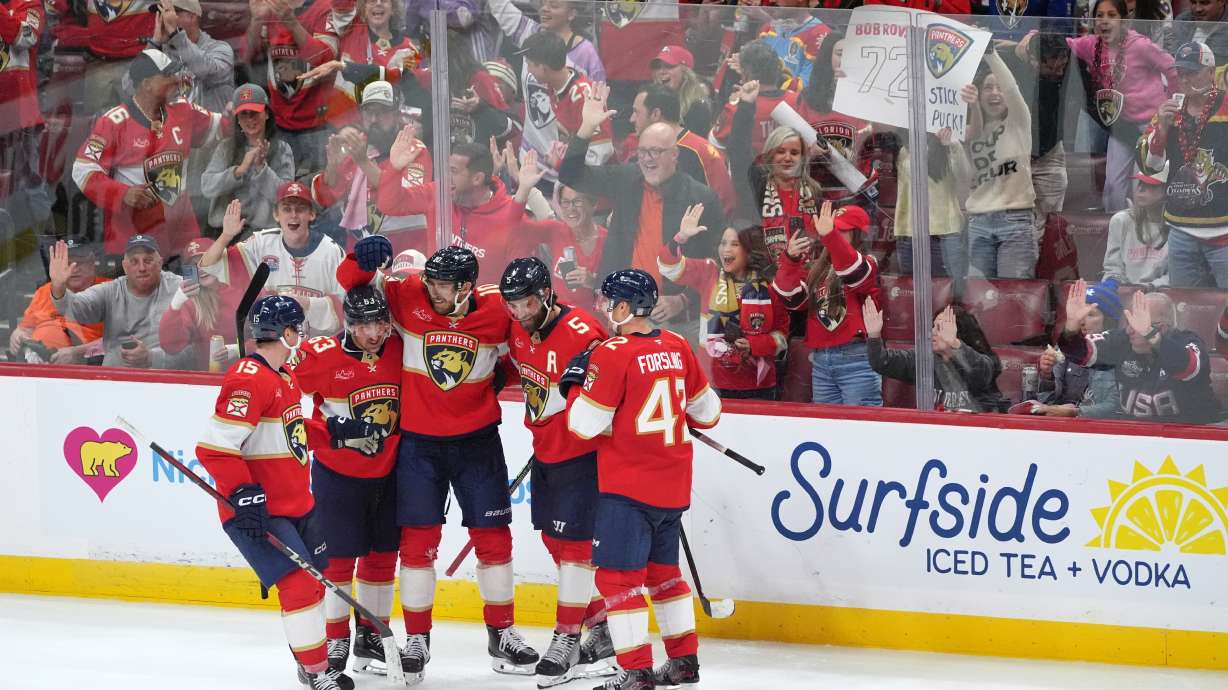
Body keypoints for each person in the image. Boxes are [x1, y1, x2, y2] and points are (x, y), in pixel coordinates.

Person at [337, 240, 540, 684]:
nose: (432, 291)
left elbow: (531, 344)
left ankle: (502, 633)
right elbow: (350, 283)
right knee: (417, 543)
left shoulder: (497, 310)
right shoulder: (407, 292)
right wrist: (359, 258)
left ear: (466, 287)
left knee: (493, 538)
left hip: (477, 443)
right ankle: (417, 640)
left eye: (443, 286)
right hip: (419, 445)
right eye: (430, 281)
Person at [566, 268, 722, 690]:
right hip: (672, 486)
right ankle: (683, 662)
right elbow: (708, 413)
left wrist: (576, 386)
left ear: (624, 306)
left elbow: (583, 425)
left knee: (618, 579)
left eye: (608, 300)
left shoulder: (611, 353)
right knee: (664, 574)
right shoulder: (677, 344)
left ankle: (635, 672)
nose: (603, 307)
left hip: (628, 489)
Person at [193, 295, 351, 690]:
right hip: (260, 511)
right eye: (298, 329)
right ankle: (317, 673)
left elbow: (290, 432)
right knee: (299, 583)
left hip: (297, 503)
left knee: (315, 581)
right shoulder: (249, 380)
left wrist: (335, 433)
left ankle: (310, 663)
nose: (302, 336)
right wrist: (243, 492)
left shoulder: (283, 375)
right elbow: (214, 449)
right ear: (287, 333)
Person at [499, 258, 617, 687]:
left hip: (583, 456)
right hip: (546, 452)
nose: (519, 313)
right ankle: (601, 627)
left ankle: (566, 638)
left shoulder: (583, 333)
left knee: (577, 549)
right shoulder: (517, 329)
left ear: (547, 295)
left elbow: (611, 388)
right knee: (554, 541)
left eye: (526, 303)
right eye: (513, 305)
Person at [292, 286, 403, 676]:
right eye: (363, 326)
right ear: (348, 324)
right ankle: (335, 637)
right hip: (337, 476)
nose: (373, 334)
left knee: (382, 558)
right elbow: (279, 389)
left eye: (380, 324)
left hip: (389, 474)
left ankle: (371, 636)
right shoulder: (321, 354)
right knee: (338, 559)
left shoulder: (399, 347)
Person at [559, 90, 727, 343]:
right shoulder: (626, 178)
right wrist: (586, 128)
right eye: (643, 151)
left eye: (656, 152)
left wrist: (683, 300)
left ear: (674, 155)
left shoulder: (701, 198)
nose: (648, 159)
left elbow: (718, 261)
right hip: (625, 312)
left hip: (676, 320)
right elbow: (571, 175)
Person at [71, 48, 225, 259]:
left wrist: (239, 113)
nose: (176, 80)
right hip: (133, 238)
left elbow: (223, 128)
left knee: (194, 279)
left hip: (181, 234)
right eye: (167, 75)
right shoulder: (113, 122)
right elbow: (82, 170)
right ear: (147, 84)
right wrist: (123, 193)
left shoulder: (183, 109)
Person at [1039, 0, 1177, 212]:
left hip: (1151, 125)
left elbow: (1171, 67)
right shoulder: (1090, 45)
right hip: (1121, 125)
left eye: (1111, 15)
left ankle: (1142, 231)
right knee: (1113, 186)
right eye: (1099, 15)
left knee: (1141, 185)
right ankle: (1116, 228)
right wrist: (1031, 38)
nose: (1104, 21)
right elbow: (1064, 43)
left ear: (1123, 21)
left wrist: (1172, 101)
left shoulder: (1140, 45)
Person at [374, 127, 548, 281]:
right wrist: (395, 169)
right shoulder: (438, 194)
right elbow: (389, 205)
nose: (446, 177)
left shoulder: (510, 217)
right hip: (436, 300)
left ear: (477, 178)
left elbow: (520, 279)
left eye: (454, 171)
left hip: (481, 306)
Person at [659, 218, 789, 400]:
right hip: (711, 382)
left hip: (757, 385)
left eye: (734, 244)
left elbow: (782, 335)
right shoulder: (709, 272)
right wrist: (680, 237)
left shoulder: (769, 284)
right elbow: (669, 267)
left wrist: (755, 345)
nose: (726, 249)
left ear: (749, 250)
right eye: (723, 243)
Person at [1059, 280, 1221, 423]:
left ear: (1161, 329)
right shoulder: (1123, 339)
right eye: (1129, 322)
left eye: (1137, 325)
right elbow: (1079, 353)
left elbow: (1188, 367)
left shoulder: (1188, 341)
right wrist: (1071, 328)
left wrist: (1151, 335)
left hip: (1194, 434)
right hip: (1137, 435)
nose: (1129, 330)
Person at [198, 184, 346, 337]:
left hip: (317, 343)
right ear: (276, 215)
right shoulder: (261, 244)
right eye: (287, 209)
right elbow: (209, 265)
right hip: (273, 342)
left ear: (312, 214)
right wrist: (226, 235)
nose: (293, 215)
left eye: (300, 209)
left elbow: (346, 307)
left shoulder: (331, 252)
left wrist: (308, 304)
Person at [1136, 41, 1228, 288]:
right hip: (1181, 229)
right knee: (1182, 304)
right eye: (1181, 73)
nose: (1185, 80)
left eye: (1193, 72)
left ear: (1211, 72)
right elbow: (1148, 166)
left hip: (1225, 232)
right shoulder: (1169, 111)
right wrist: (1162, 129)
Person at [773, 201, 883, 407]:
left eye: (841, 230)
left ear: (858, 235)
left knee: (860, 425)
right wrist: (790, 260)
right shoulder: (818, 269)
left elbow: (852, 271)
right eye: (832, 229)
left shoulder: (869, 263)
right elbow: (791, 299)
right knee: (826, 426)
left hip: (857, 360)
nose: (832, 234)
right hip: (821, 362)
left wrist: (831, 236)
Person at [487, 0, 605, 182]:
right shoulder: (531, 34)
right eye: (543, 3)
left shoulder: (586, 54)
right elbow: (499, 6)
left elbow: (599, 113)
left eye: (554, 6)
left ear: (572, 14)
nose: (545, 9)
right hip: (531, 161)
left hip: (567, 168)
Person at [312, 81, 431, 249]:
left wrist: (363, 162)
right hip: (359, 253)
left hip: (404, 251)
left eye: (382, 112)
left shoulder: (414, 149)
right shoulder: (355, 146)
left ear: (397, 114)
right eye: (369, 112)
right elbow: (325, 199)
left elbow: (405, 198)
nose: (374, 119)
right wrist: (332, 167)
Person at [49, 235, 194, 369]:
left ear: (160, 263)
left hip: (166, 381)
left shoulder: (180, 287)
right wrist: (58, 286)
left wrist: (151, 358)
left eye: (148, 261)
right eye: (134, 261)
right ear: (124, 266)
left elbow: (197, 347)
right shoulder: (111, 291)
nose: (142, 268)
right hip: (114, 379)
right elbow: (76, 310)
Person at [728, 79, 821, 262]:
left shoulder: (813, 189)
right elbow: (738, 151)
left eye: (794, 152)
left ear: (802, 157)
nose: (787, 157)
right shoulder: (756, 182)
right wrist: (746, 106)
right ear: (770, 154)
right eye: (781, 151)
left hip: (804, 269)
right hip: (764, 268)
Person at [964, 50, 1037, 280]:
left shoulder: (1019, 121)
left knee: (1013, 295)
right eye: (988, 87)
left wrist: (990, 54)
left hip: (1016, 221)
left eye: (999, 88)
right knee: (980, 297)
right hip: (978, 222)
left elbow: (1012, 89)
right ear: (978, 93)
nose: (995, 93)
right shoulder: (969, 131)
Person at [863, 303, 1010, 413]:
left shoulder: (977, 360)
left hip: (978, 431)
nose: (932, 332)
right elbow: (881, 362)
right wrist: (874, 335)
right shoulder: (923, 360)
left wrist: (955, 344)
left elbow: (982, 373)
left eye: (939, 328)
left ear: (958, 334)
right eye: (933, 326)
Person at [628, 83, 735, 219]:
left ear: (655, 114)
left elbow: (723, 205)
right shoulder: (642, 148)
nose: (631, 119)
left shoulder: (700, 151)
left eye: (636, 112)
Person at [202, 83, 296, 232]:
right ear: (237, 119)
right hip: (226, 231)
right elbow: (207, 187)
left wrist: (261, 169)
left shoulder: (282, 149)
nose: (250, 119)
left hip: (265, 233)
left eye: (254, 113)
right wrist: (238, 171)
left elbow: (287, 198)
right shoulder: (226, 147)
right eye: (243, 114)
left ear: (267, 114)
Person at [1028, 279, 1123, 419]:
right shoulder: (1066, 347)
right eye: (1080, 313)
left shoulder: (1121, 352)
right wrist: (1047, 376)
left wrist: (1076, 412)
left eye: (1090, 315)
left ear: (1108, 321)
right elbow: (1048, 400)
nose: (1082, 321)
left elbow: (1117, 407)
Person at [520, 30, 614, 169]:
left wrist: (562, 164)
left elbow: (600, 155)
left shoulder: (584, 96)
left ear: (543, 68)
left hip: (599, 178)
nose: (528, 71)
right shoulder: (554, 86)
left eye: (530, 65)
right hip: (576, 174)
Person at [893, 126, 971, 291]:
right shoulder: (904, 149)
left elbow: (964, 176)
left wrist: (951, 145)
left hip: (945, 232)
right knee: (911, 291)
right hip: (910, 232)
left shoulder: (949, 143)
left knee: (950, 290)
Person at [9, 239, 107, 365]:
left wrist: (77, 353)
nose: (74, 269)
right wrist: (18, 336)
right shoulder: (44, 291)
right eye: (67, 263)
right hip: (34, 362)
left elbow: (121, 341)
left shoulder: (111, 290)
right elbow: (24, 329)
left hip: (83, 366)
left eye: (79, 262)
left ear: (92, 263)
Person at [158, 237, 244, 371]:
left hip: (247, 373)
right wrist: (175, 305)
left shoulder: (242, 291)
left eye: (206, 261)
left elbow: (266, 338)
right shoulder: (191, 303)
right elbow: (171, 347)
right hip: (208, 379)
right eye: (193, 265)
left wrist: (240, 349)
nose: (200, 269)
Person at [148, 0, 234, 113]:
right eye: (161, 13)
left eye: (172, 12)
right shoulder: (162, 54)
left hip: (214, 123)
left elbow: (203, 70)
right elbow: (132, 89)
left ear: (192, 16)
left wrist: (176, 35)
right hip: (177, 124)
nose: (165, 18)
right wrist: (154, 44)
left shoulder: (220, 49)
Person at [1103, 165, 1170, 285]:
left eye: (1150, 185)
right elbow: (1112, 269)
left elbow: (1175, 277)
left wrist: (1149, 288)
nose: (1141, 189)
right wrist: (1113, 284)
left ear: (1167, 190)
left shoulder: (1176, 227)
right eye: (1140, 183)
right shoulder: (1121, 221)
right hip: (1124, 291)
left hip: (1161, 293)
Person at [648, 45, 714, 137]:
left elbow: (693, 143)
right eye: (658, 67)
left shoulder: (697, 106)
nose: (661, 71)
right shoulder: (649, 99)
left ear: (685, 71)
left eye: (669, 66)